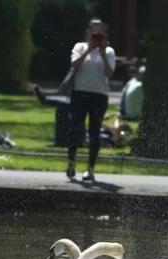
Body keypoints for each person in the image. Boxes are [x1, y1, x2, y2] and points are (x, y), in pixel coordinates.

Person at [66, 18, 116, 182]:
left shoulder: (108, 51)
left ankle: (90, 169)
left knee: (94, 132)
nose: (95, 36)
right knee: (75, 128)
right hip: (80, 94)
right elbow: (75, 65)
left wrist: (101, 51)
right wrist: (89, 49)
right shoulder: (79, 47)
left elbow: (109, 73)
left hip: (99, 95)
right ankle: (71, 162)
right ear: (87, 32)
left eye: (98, 33)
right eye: (92, 32)